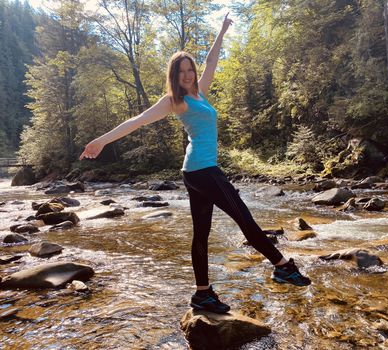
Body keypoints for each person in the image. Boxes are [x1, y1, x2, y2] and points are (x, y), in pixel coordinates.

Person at [80, 14, 310, 314]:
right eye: (182, 71)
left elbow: (212, 61)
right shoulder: (173, 100)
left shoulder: (199, 92)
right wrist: (102, 140)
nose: (188, 75)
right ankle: (282, 266)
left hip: (195, 171)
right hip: (203, 171)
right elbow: (136, 121)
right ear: (174, 74)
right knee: (245, 220)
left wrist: (223, 31)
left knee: (201, 233)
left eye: (190, 69)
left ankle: (203, 294)